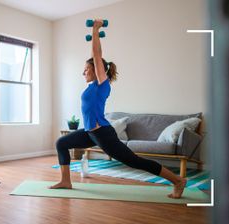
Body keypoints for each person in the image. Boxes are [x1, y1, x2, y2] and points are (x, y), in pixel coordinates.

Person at [50, 19, 187, 199]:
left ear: (97, 71)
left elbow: (97, 55)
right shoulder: (92, 86)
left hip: (103, 133)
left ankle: (177, 180)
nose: (83, 72)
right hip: (90, 132)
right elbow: (94, 60)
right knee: (62, 143)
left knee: (134, 161)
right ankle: (66, 181)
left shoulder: (102, 84)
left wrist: (95, 29)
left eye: (86, 69)